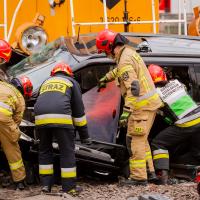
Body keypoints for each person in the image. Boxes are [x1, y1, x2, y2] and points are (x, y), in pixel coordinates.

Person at [96, 29, 162, 186]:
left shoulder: (124, 59)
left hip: (140, 107)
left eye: (104, 51)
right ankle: (150, 172)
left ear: (110, 47)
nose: (106, 54)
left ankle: (139, 178)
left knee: (135, 140)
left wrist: (126, 112)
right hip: (148, 104)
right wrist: (108, 77)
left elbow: (134, 88)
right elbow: (123, 71)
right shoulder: (128, 53)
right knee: (142, 139)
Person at [34, 62, 91, 196]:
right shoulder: (71, 82)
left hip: (41, 120)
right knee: (67, 152)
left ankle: (46, 186)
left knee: (44, 151)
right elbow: (78, 112)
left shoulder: (45, 82)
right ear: (69, 73)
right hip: (61, 120)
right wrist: (85, 137)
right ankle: (69, 188)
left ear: (53, 74)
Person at [148, 64, 200, 184]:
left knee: (158, 142)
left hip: (186, 123)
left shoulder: (155, 94)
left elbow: (153, 109)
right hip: (198, 117)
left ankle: (163, 175)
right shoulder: (177, 83)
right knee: (197, 151)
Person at [0, 73, 33, 190]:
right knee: (12, 148)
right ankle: (20, 181)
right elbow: (17, 121)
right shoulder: (19, 96)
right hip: (3, 119)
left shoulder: (2, 84)